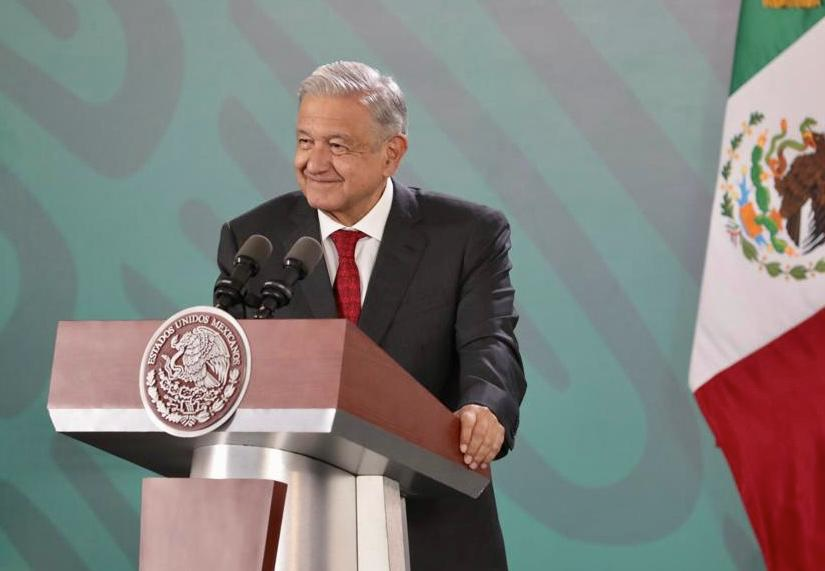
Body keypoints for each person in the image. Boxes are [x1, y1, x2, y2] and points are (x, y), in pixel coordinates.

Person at [216, 60, 526, 570]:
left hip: (430, 521)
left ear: (392, 153)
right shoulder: (254, 240)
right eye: (304, 141)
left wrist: (485, 407)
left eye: (337, 145)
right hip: (296, 522)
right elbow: (234, 367)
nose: (314, 162)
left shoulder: (467, 234)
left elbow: (489, 340)